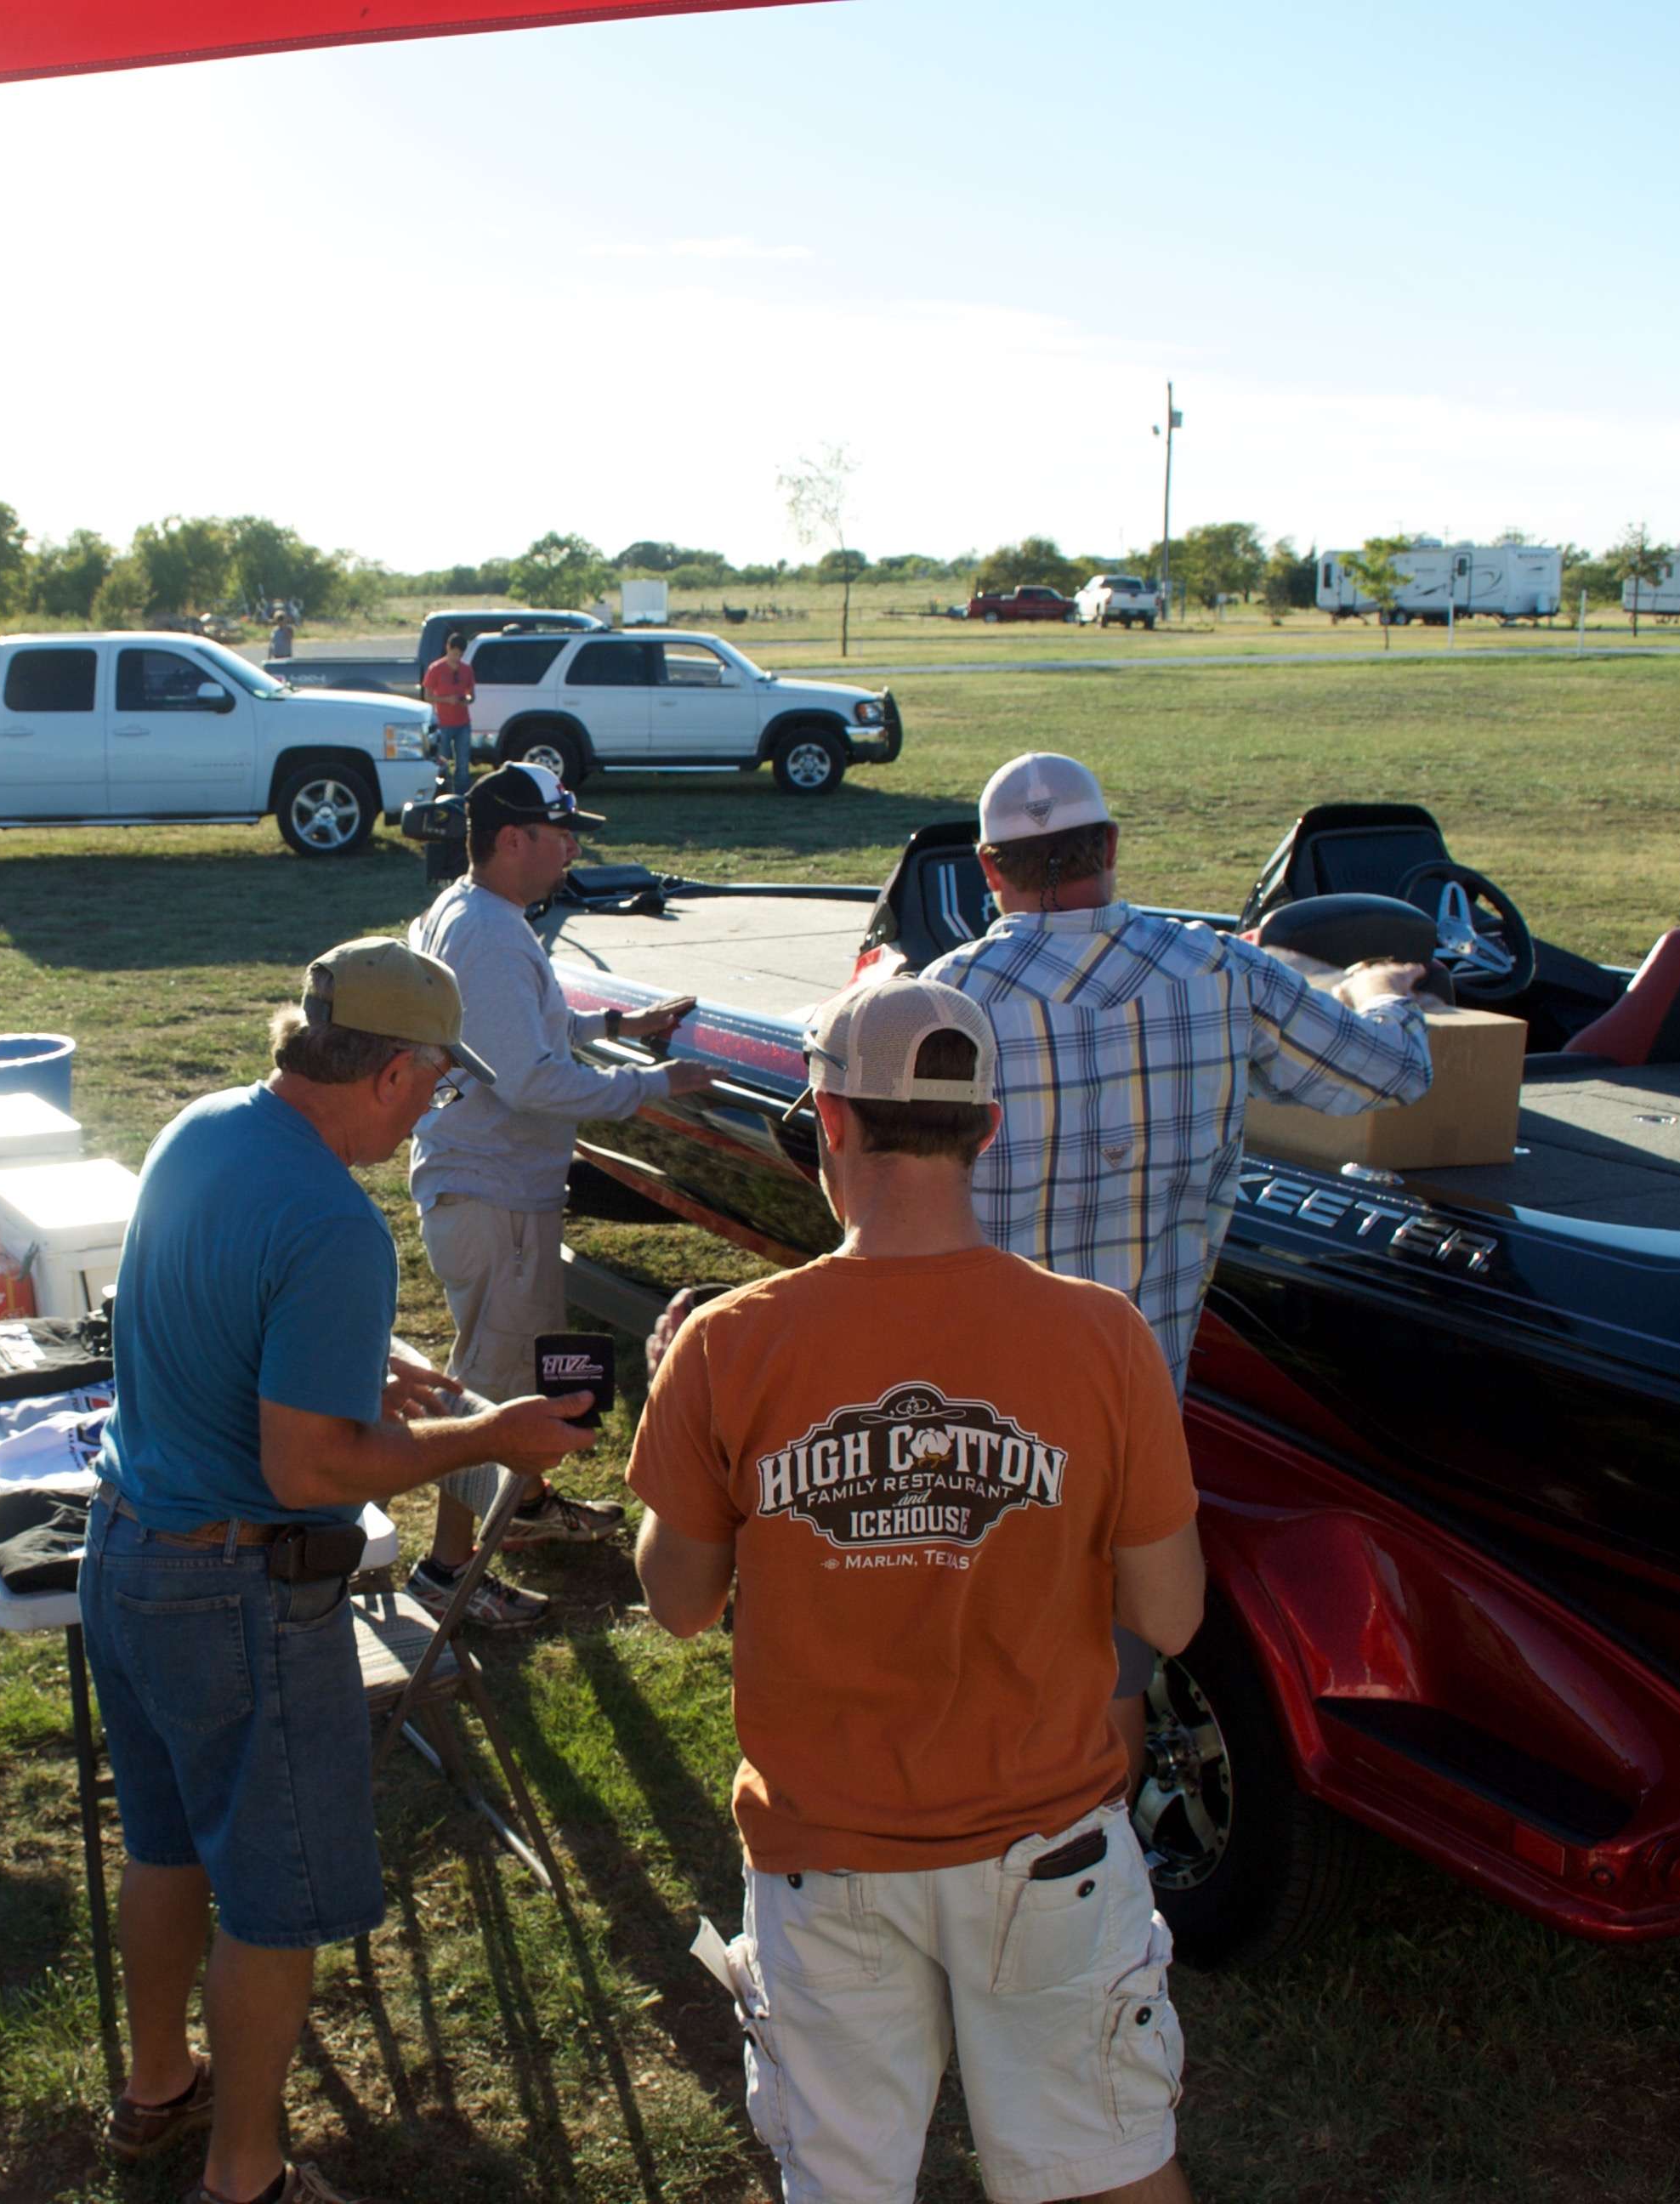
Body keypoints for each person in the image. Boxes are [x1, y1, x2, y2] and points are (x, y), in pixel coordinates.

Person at [626, 973, 1206, 2204]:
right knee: (1109, 2172)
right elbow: (1169, 1614)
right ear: (985, 1130)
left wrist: (676, 1416)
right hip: (1049, 1842)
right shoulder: (1104, 1336)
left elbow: (678, 1602)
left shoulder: (728, 1342)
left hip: (823, 1858)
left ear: (830, 1122)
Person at [84, 938, 599, 2204]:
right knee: (274, 1905)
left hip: (128, 1554)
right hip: (237, 1593)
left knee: (164, 1846)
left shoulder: (204, 1128)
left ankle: (156, 2089)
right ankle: (245, 2178)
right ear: (390, 1071)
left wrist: (358, 1363)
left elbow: (212, 1320)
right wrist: (490, 1437)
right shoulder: (332, 1221)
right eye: (438, 1084)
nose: (433, 1109)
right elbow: (312, 1467)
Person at [918, 752, 1433, 1763]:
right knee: (1112, 1652)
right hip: (1136, 1406)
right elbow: (1390, 1075)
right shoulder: (1220, 970)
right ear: (1109, 847)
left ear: (987, 868)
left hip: (981, 1415)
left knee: (982, 1646)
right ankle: (1095, 1813)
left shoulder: (947, 997)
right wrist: (1380, 994)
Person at [401, 764, 707, 1627]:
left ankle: (528, 1506)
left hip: (495, 1187)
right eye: (561, 834)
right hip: (489, 1190)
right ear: (512, 839)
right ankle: (445, 1572)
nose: (573, 850)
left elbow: (520, 1032)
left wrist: (616, 1028)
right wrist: (653, 1085)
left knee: (523, 1358)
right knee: (489, 1389)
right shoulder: (492, 934)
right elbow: (529, 1080)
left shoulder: (477, 913)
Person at [418, 628, 475, 787]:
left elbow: (472, 695)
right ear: (448, 648)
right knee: (442, 762)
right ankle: (444, 791)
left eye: (460, 655)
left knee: (463, 763)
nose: (457, 658)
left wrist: (467, 700)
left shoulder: (466, 669)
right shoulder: (436, 669)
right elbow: (427, 696)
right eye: (454, 654)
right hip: (443, 723)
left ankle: (462, 795)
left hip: (463, 723)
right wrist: (446, 700)